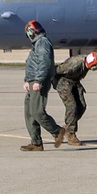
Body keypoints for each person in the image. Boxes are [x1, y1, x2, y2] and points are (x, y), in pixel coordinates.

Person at [21, 20, 66, 152]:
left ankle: (57, 131)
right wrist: (27, 80)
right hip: (32, 80)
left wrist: (38, 81)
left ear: (31, 32)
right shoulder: (37, 44)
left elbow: (44, 62)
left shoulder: (42, 43)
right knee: (29, 112)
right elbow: (33, 63)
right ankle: (36, 143)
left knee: (37, 111)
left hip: (38, 81)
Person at [53, 51, 97, 146]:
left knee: (82, 106)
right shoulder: (74, 64)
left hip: (74, 82)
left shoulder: (87, 62)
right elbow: (56, 70)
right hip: (63, 82)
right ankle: (71, 134)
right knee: (72, 107)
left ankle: (67, 127)